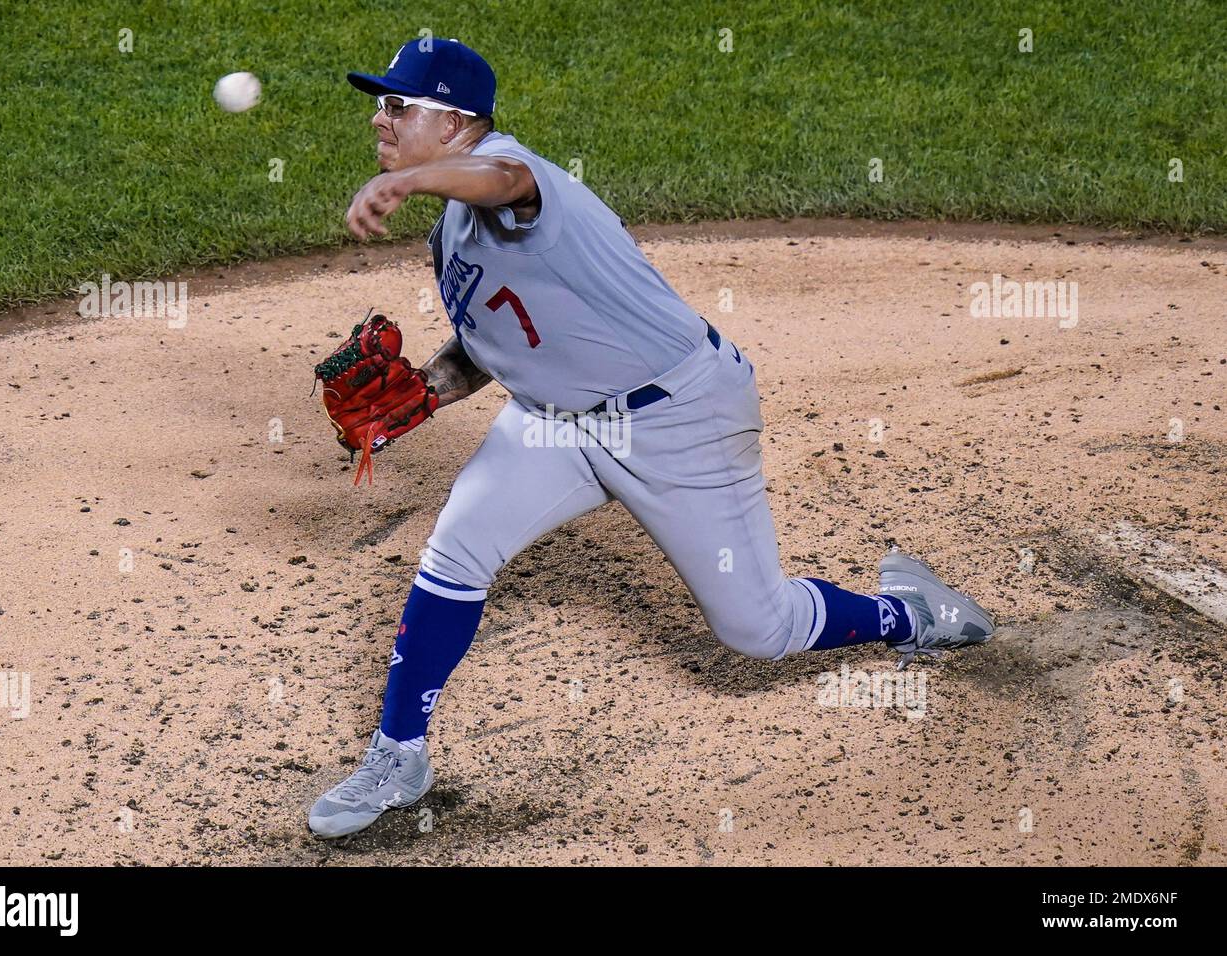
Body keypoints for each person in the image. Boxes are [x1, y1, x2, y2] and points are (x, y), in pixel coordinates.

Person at [307, 38, 995, 838]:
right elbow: (503, 339)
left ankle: (909, 613)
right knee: (455, 551)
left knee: (757, 630)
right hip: (556, 422)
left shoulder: (511, 174)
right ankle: (398, 755)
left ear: (458, 121)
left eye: (398, 105)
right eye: (379, 103)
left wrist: (404, 179)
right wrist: (426, 389)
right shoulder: (451, 231)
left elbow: (506, 181)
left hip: (679, 416)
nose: (379, 117)